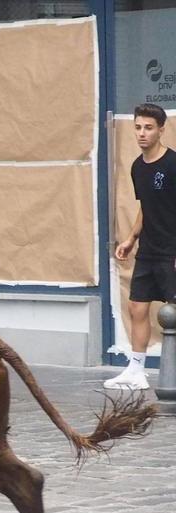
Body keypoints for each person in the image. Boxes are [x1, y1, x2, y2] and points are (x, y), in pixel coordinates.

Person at [105, 103, 176, 390]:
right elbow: (146, 208)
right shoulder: (137, 167)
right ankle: (136, 371)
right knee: (137, 306)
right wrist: (131, 238)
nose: (142, 133)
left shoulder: (173, 165)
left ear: (161, 129)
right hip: (148, 250)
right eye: (137, 127)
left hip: (171, 250)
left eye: (148, 127)